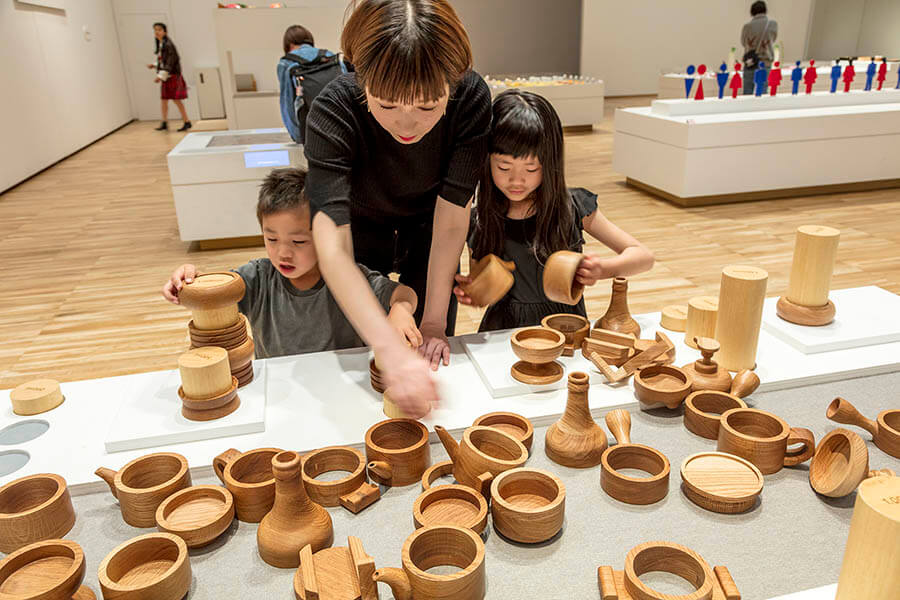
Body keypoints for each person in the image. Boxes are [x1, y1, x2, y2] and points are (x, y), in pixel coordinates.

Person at [304, 0, 492, 417]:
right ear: (360, 76)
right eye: (387, 104)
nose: (407, 125)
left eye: (427, 106)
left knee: (432, 351)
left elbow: (450, 221)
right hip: (360, 232)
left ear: (454, 81)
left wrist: (433, 324)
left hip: (430, 229)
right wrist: (387, 349)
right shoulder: (333, 108)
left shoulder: (472, 99)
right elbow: (332, 247)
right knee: (359, 361)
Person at [162, 168, 422, 359]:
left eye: (298, 242)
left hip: (339, 391)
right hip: (277, 390)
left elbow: (404, 293)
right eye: (271, 238)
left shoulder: (348, 279)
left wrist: (400, 310)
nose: (283, 253)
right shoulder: (258, 277)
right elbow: (218, 293)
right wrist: (192, 279)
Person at [453, 90, 654, 332]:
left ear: (550, 163)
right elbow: (483, 281)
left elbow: (643, 257)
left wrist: (603, 270)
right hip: (505, 331)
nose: (516, 180)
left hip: (567, 328)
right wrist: (475, 292)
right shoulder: (479, 220)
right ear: (486, 161)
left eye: (531, 168)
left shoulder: (572, 207)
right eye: (504, 166)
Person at [277, 25, 347, 144]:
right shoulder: (329, 56)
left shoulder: (286, 63)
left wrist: (298, 136)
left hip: (310, 131)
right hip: (340, 127)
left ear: (288, 45)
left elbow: (287, 104)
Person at [146, 23, 190, 132]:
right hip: (168, 76)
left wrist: (160, 76)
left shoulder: (168, 45)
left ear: (165, 32)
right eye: (155, 30)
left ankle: (187, 121)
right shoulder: (162, 44)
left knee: (176, 100)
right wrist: (155, 65)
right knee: (164, 100)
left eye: (159, 30)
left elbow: (170, 62)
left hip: (172, 76)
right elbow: (163, 60)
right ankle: (165, 122)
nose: (157, 32)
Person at [741, 1, 777, 95]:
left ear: (752, 11)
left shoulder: (747, 27)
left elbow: (743, 43)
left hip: (750, 62)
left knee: (747, 91)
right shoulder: (772, 24)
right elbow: (773, 39)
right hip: (765, 62)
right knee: (762, 91)